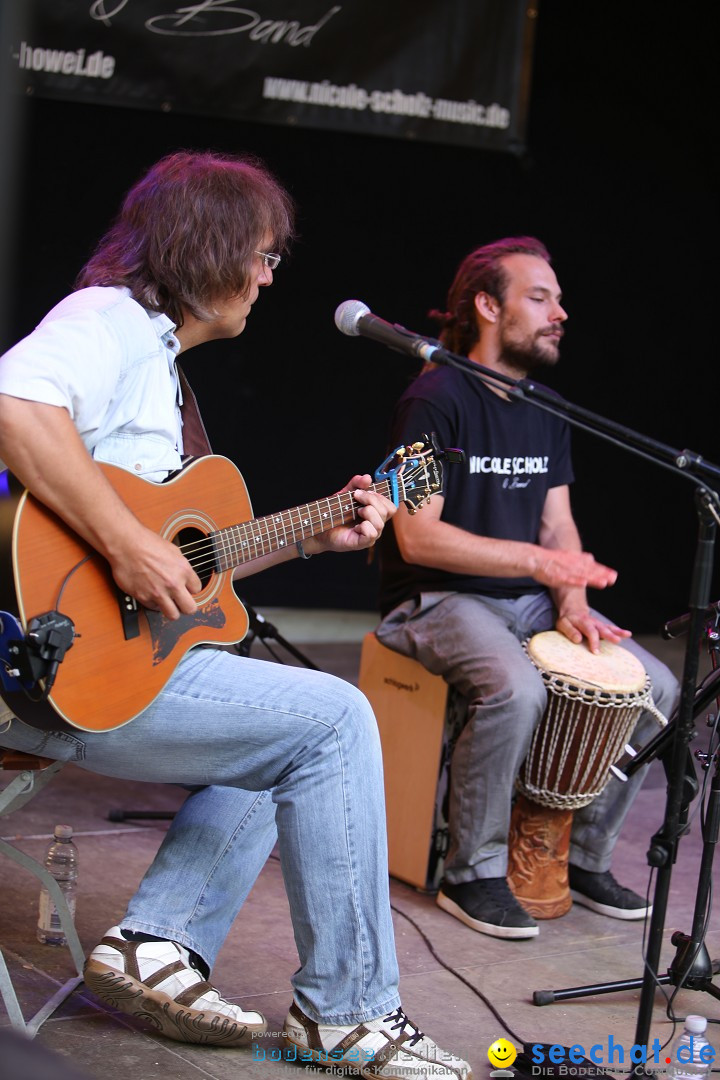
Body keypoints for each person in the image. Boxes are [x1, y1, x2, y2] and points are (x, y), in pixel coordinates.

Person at [0, 151, 471, 1079]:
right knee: (333, 721)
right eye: (261, 255)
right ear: (204, 246)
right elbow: (14, 405)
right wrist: (130, 547)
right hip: (40, 674)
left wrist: (314, 535)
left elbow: (194, 556)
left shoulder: (159, 366)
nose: (266, 276)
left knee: (289, 718)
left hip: (82, 667)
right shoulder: (110, 320)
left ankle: (159, 944)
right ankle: (353, 1016)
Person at [376, 236, 679, 941]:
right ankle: (472, 873)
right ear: (487, 306)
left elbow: (558, 524)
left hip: (529, 600)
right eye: (540, 298)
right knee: (517, 688)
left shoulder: (547, 406)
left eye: (559, 299)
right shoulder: (430, 401)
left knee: (652, 690)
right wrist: (542, 569)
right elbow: (416, 536)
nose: (560, 312)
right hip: (435, 599)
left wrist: (572, 598)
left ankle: (580, 855)